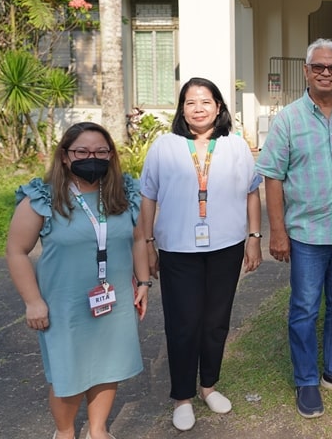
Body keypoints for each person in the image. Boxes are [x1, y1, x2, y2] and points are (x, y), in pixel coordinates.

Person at [6, 122, 148, 439]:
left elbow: (139, 239)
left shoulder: (124, 194)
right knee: (68, 375)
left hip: (114, 300)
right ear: (66, 156)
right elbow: (16, 251)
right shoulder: (43, 198)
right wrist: (33, 301)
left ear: (111, 155)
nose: (91, 157)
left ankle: (98, 430)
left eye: (100, 151)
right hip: (64, 304)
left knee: (108, 367)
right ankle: (65, 432)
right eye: (82, 151)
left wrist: (144, 282)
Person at [137, 77, 263, 432]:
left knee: (216, 320)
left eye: (205, 101)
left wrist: (254, 237)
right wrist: (147, 243)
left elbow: (253, 192)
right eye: (190, 102)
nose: (198, 109)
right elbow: (148, 197)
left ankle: (209, 385)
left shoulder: (236, 146)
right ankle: (182, 397)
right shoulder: (165, 146)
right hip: (178, 249)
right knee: (182, 323)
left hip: (226, 246)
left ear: (219, 107)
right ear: (182, 109)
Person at [256, 39, 332, 418]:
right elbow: (272, 177)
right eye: (318, 67)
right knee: (304, 308)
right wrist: (277, 231)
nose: (326, 73)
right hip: (307, 234)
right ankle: (306, 380)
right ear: (306, 71)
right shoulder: (288, 118)